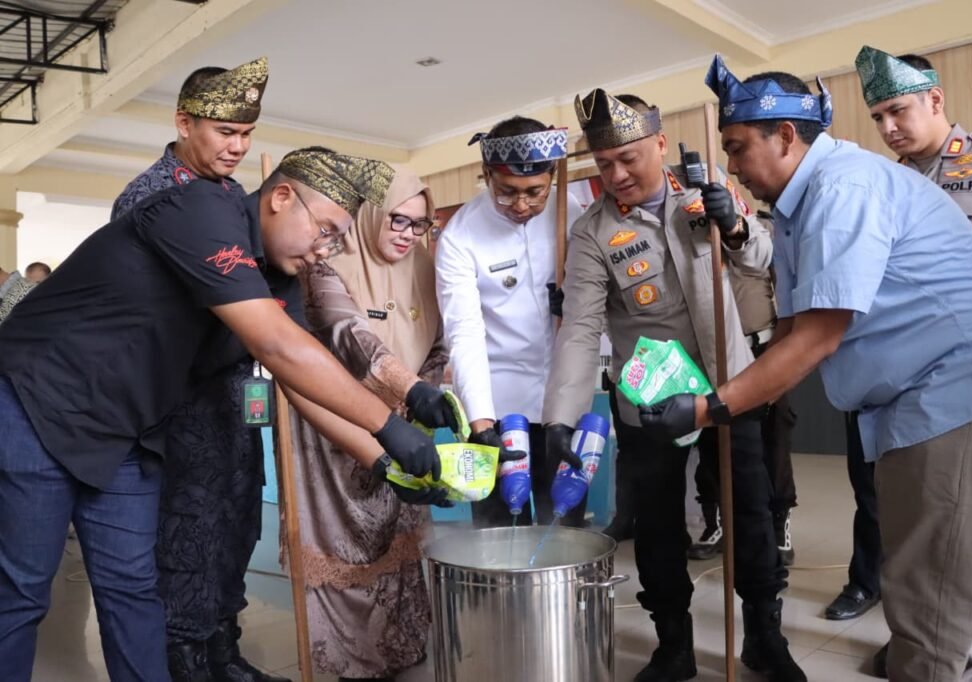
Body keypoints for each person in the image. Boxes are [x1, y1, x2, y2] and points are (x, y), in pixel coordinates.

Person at [641, 54, 972, 682]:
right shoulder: (801, 204)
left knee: (926, 596)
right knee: (932, 581)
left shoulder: (843, 187)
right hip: (915, 395)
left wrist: (710, 409)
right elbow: (791, 329)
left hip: (957, 387)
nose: (731, 167)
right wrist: (727, 400)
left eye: (737, 148)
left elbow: (819, 336)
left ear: (785, 136)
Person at [0, 147, 443, 682]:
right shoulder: (201, 211)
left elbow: (298, 381)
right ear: (282, 197)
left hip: (128, 432)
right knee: (23, 590)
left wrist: (384, 463)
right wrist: (389, 424)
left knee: (132, 590)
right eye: (325, 231)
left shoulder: (278, 278)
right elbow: (278, 346)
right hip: (39, 401)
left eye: (336, 241)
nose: (324, 251)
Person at [542, 88, 804, 682]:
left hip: (730, 387)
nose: (616, 175)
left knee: (750, 514)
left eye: (628, 158)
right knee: (658, 526)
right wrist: (561, 417)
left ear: (659, 143)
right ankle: (673, 646)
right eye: (603, 163)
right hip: (650, 404)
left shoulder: (705, 189)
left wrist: (733, 224)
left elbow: (761, 259)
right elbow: (580, 329)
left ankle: (765, 637)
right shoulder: (591, 233)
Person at [109, 57, 285, 682]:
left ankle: (223, 654)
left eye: (247, 134)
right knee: (189, 532)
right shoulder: (151, 196)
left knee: (238, 521)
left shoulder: (230, 195)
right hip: (178, 398)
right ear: (184, 123)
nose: (237, 147)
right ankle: (184, 661)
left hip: (234, 394)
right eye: (224, 132)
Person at [853, 46, 972, 679]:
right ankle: (947, 649)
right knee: (925, 537)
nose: (888, 127)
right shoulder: (883, 183)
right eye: (877, 117)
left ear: (935, 99)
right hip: (907, 388)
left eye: (897, 110)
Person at [289, 166, 451, 681]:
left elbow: (438, 342)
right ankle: (352, 663)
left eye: (419, 224)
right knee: (344, 552)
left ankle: (398, 649)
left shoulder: (426, 267)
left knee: (399, 541)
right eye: (397, 219)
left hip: (404, 422)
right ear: (370, 215)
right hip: (336, 429)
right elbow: (347, 334)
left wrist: (426, 395)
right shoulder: (326, 263)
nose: (407, 233)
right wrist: (409, 388)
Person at [435, 116, 584, 528]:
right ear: (486, 175)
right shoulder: (460, 236)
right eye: (506, 192)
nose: (521, 205)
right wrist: (481, 425)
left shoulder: (569, 212)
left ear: (552, 177)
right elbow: (464, 332)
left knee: (564, 526)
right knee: (499, 532)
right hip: (496, 402)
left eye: (535, 192)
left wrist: (574, 301)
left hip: (559, 400)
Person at [690, 222, 799, 566]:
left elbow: (789, 298)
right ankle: (717, 522)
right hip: (712, 356)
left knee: (773, 439)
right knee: (711, 440)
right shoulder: (691, 233)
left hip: (763, 349)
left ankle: (779, 522)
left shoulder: (758, 232)